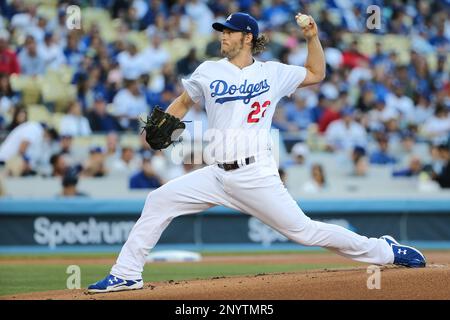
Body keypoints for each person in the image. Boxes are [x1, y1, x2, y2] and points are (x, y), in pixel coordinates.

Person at [88, 12, 426, 294]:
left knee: (305, 232)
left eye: (229, 31)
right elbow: (186, 100)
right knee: (159, 200)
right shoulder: (208, 70)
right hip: (216, 173)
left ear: (247, 37)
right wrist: (167, 124)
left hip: (255, 174)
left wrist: (312, 38)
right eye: (221, 31)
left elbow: (316, 73)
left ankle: (385, 250)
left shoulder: (272, 72)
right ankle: (127, 272)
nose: (222, 35)